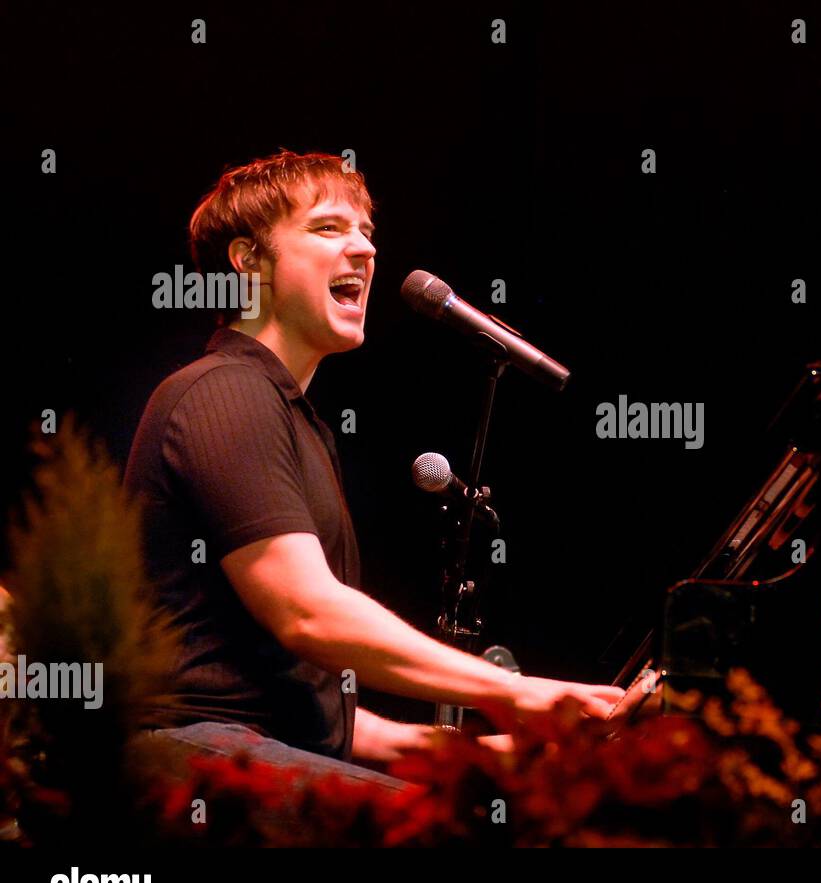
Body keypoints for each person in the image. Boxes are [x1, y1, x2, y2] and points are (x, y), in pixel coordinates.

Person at [124, 152, 622, 792]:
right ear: (247, 261)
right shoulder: (223, 391)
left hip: (250, 754)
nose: (362, 249)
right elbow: (308, 614)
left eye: (366, 232)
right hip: (195, 764)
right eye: (329, 228)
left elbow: (324, 719)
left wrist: (509, 755)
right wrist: (520, 695)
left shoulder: (294, 417)